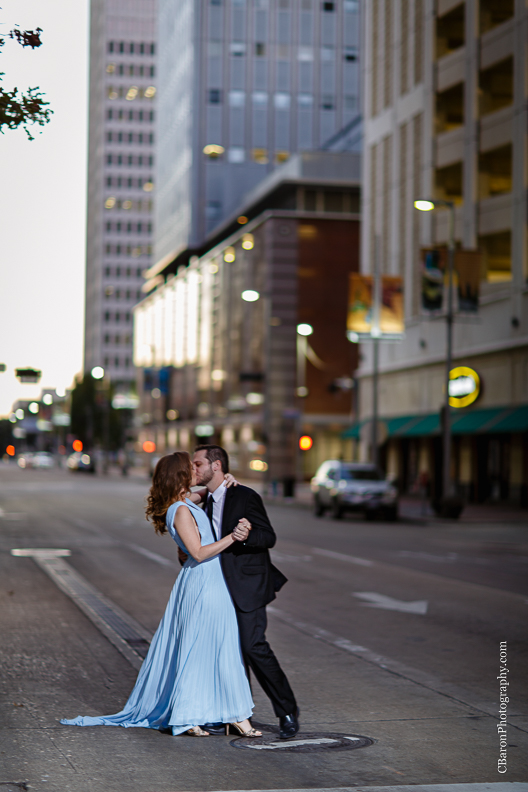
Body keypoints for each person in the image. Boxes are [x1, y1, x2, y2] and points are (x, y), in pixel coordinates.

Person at [60, 451, 262, 738]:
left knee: (224, 647)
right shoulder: (179, 511)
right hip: (203, 582)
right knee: (198, 651)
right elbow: (198, 552)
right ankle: (188, 715)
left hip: (214, 582)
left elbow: (207, 493)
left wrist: (225, 479)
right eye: (190, 466)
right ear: (180, 475)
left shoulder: (184, 503)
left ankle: (236, 714)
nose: (195, 469)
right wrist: (233, 537)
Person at [191, 444, 299, 740]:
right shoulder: (207, 500)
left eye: (198, 464)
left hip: (247, 585)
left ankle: (287, 711)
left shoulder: (245, 496)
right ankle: (236, 715)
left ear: (216, 466)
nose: (194, 469)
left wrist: (248, 534)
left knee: (253, 647)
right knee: (228, 652)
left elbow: (269, 537)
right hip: (218, 587)